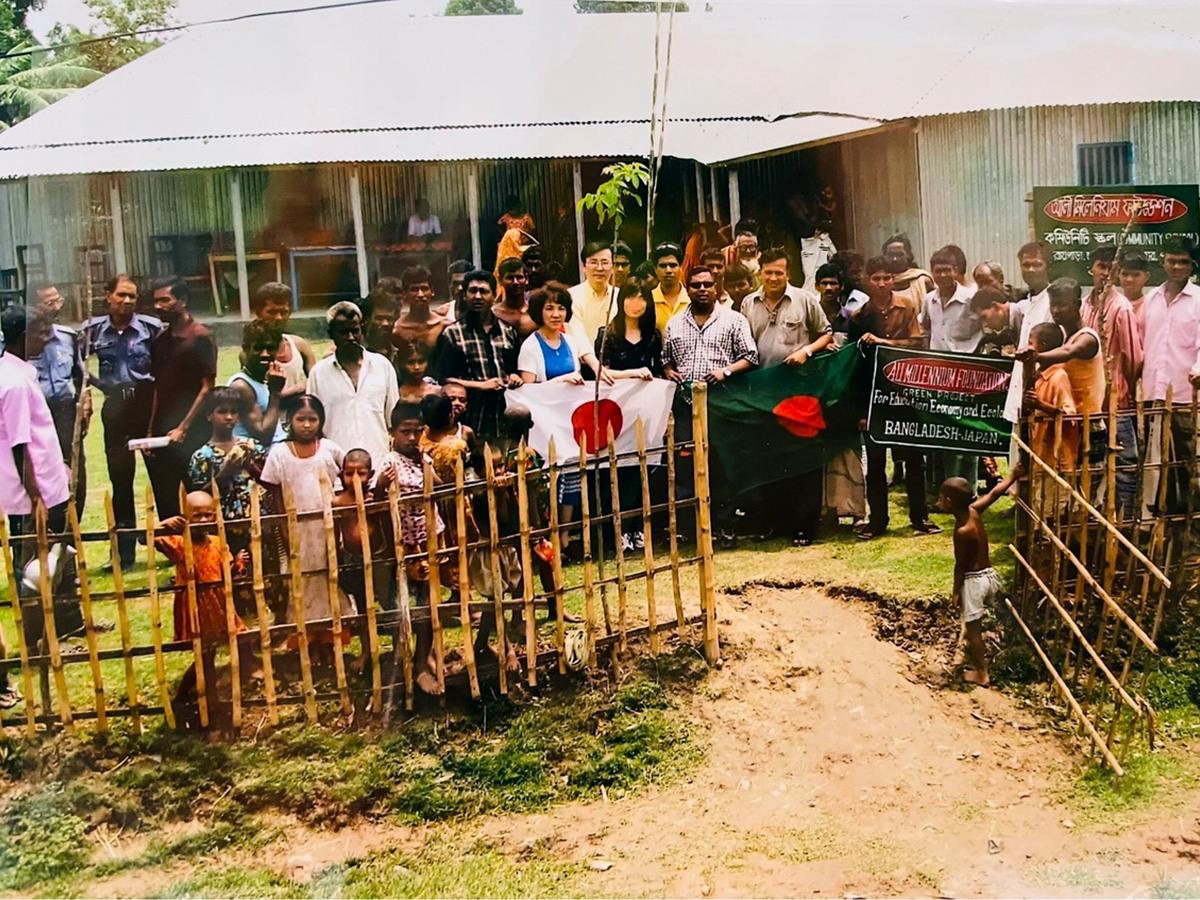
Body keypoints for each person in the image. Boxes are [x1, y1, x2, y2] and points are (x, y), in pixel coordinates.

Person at [0, 305, 75, 709]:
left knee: (54, 560)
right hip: (33, 492)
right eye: (42, 331)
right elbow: (19, 444)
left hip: (48, 481)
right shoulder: (12, 383)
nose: (48, 338)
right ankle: (33, 640)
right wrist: (35, 498)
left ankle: (56, 627)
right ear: (21, 335)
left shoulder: (21, 372)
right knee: (33, 568)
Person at [740, 248, 833, 545]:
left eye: (779, 272)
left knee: (803, 460)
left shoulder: (805, 300)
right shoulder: (748, 303)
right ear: (760, 273)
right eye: (768, 272)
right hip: (762, 393)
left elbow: (826, 334)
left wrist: (806, 351)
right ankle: (775, 523)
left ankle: (805, 526)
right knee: (770, 459)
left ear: (788, 274)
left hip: (799, 391)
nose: (773, 278)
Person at [663, 264, 758, 547]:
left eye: (707, 284)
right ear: (687, 289)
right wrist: (669, 370)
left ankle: (724, 527)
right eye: (696, 285)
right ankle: (688, 529)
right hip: (685, 407)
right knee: (685, 467)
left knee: (721, 466)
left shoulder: (734, 320)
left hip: (721, 404)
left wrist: (725, 371)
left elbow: (750, 356)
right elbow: (666, 359)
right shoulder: (674, 324)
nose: (702, 290)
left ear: (716, 287)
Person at [849, 256, 940, 538]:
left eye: (886, 277)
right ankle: (878, 520)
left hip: (905, 394)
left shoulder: (907, 307)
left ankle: (920, 517)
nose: (881, 283)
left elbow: (916, 344)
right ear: (867, 281)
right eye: (875, 278)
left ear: (893, 280)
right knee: (876, 463)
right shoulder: (859, 317)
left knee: (914, 459)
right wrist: (861, 411)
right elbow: (855, 367)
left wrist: (883, 342)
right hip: (874, 397)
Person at [259, 394, 353, 653]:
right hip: (296, 527)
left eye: (313, 419)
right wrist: (284, 525)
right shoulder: (279, 453)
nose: (307, 425)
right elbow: (274, 491)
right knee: (301, 581)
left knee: (328, 576)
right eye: (301, 419)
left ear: (321, 421)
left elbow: (349, 474)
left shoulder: (329, 449)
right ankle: (306, 641)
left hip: (326, 526)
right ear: (289, 420)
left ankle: (330, 641)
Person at [154, 490, 250, 730]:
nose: (204, 520)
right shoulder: (179, 544)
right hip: (196, 607)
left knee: (210, 653)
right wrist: (165, 524)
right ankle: (210, 703)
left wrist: (238, 564)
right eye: (197, 515)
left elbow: (226, 573)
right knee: (205, 656)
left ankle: (184, 697)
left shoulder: (217, 543)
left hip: (217, 604)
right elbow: (147, 538)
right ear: (184, 517)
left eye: (209, 514)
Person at [85, 273, 160, 567]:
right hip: (115, 408)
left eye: (132, 296)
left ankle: (171, 546)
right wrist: (98, 385)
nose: (127, 301)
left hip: (147, 406)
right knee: (121, 479)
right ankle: (123, 554)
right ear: (108, 296)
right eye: (121, 295)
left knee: (160, 476)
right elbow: (78, 365)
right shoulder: (92, 330)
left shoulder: (151, 328)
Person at [373, 402, 445, 695]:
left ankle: (422, 662)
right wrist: (381, 484)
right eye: (406, 432)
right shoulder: (389, 462)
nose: (412, 438)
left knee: (428, 601)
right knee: (400, 604)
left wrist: (426, 464)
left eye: (417, 431)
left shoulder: (422, 458)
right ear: (393, 432)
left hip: (428, 539)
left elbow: (439, 487)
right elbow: (376, 498)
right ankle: (403, 659)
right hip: (401, 545)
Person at [937, 464, 1022, 688]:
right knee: (996, 617)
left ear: (949, 502)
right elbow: (994, 494)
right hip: (990, 576)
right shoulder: (974, 511)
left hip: (974, 582)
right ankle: (999, 657)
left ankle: (982, 673)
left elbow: (961, 566)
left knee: (973, 630)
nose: (939, 502)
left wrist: (956, 592)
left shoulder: (962, 531)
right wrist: (1013, 475)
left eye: (941, 499)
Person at [145, 277, 217, 520]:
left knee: (196, 494)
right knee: (166, 494)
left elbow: (207, 387)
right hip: (164, 430)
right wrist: (150, 431)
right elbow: (158, 387)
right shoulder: (160, 339)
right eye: (156, 301)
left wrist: (184, 427)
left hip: (193, 429)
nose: (159, 306)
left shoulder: (200, 336)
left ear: (183, 301)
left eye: (165, 300)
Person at [1017, 278, 1105, 472]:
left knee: (1086, 483)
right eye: (1053, 305)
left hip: (1087, 424)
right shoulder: (1065, 338)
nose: (1056, 311)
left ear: (1077, 305)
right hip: (1067, 423)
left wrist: (1036, 356)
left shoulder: (1087, 338)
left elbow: (1068, 352)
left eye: (1062, 305)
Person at [1080, 246, 1142, 517]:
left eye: (1111, 268)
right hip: (1090, 403)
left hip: (1117, 403)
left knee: (1125, 464)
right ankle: (1091, 521)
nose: (1105, 273)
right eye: (1101, 266)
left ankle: (1125, 523)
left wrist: (1122, 390)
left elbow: (1133, 358)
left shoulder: (1120, 307)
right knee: (1091, 463)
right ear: (1091, 269)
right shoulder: (1084, 305)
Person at [1141, 236, 1200, 514]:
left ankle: (1188, 524)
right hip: (1153, 393)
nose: (1176, 267)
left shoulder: (1198, 300)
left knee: (1185, 462)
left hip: (1185, 395)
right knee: (1155, 460)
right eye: (1171, 261)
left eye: (1183, 262)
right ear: (1162, 262)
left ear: (1192, 266)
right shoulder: (1151, 299)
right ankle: (1161, 518)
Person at [431, 269, 523, 445]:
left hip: (503, 415)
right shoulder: (452, 334)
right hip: (470, 417)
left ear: (494, 296)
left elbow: (515, 370)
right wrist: (481, 385)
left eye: (484, 291)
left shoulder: (508, 331)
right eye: (473, 291)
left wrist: (514, 377)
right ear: (465, 295)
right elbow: (443, 378)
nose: (478, 296)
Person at [307, 301, 399, 468]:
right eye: (343, 332)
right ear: (331, 334)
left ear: (362, 330)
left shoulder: (382, 366)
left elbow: (393, 420)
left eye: (354, 331)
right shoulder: (318, 374)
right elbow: (314, 425)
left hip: (378, 465)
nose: (350, 337)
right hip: (336, 468)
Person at [923, 246, 981, 491]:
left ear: (956, 271)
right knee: (941, 432)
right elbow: (925, 329)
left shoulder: (970, 298)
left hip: (964, 373)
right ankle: (943, 489)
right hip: (938, 375)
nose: (943, 275)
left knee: (965, 431)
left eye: (947, 270)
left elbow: (984, 327)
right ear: (932, 272)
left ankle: (969, 489)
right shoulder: (929, 299)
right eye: (938, 271)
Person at [28, 282, 90, 511]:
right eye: (49, 303)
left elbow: (79, 376)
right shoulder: (18, 340)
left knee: (74, 463)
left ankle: (73, 523)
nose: (56, 307)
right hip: (35, 413)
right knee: (42, 467)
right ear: (33, 306)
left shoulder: (68, 337)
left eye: (58, 301)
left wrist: (85, 405)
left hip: (66, 411)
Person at [187, 387, 266, 525]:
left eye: (233, 412)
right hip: (222, 523)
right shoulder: (202, 456)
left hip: (257, 519)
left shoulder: (253, 447)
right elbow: (198, 496)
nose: (229, 417)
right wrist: (224, 473)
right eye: (222, 412)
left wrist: (251, 467)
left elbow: (272, 482)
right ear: (209, 415)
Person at [518, 282, 611, 386]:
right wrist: (561, 380)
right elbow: (529, 390)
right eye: (549, 309)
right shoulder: (529, 347)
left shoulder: (571, 342)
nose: (556, 315)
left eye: (561, 308)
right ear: (539, 311)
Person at [1003, 241, 1054, 426]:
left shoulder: (1052, 304)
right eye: (1026, 265)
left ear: (1048, 266)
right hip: (1021, 394)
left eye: (1037, 264)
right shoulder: (1029, 302)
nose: (1031, 270)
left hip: (1039, 399)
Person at [1023, 322, 1079, 474]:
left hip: (1058, 458)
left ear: (1042, 347)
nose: (1027, 347)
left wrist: (1040, 404)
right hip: (1042, 454)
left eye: (1031, 343)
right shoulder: (1038, 375)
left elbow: (1069, 416)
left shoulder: (1058, 377)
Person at [229, 321, 287, 448]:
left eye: (270, 348)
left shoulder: (260, 380)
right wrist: (275, 393)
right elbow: (263, 436)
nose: (265, 354)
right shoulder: (241, 387)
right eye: (258, 348)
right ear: (246, 348)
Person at [251, 282, 315, 397]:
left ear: (289, 312)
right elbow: (257, 396)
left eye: (283, 312)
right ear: (258, 313)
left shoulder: (299, 345)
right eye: (272, 312)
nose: (278, 318)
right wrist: (297, 389)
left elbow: (316, 382)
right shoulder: (253, 351)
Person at [594, 277, 664, 380]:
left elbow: (658, 372)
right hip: (616, 389)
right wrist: (633, 373)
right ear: (621, 300)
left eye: (641, 298)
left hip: (646, 389)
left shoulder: (653, 335)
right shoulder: (606, 335)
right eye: (631, 297)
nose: (635, 304)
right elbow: (603, 373)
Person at [568, 240, 619, 344]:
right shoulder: (572, 296)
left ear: (613, 267)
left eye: (605, 263)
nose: (599, 268)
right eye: (593, 262)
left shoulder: (620, 296)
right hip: (582, 354)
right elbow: (577, 336)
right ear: (583, 266)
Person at [391, 265, 451, 353]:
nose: (420, 295)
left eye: (424, 288)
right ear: (404, 294)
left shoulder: (445, 325)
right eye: (414, 289)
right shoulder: (397, 330)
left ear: (432, 292)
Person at [883, 233, 934, 308]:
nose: (895, 259)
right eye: (891, 255)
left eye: (899, 254)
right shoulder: (879, 281)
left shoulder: (922, 280)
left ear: (908, 255)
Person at [972, 286, 1023, 358]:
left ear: (995, 306)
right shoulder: (1013, 324)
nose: (985, 324)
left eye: (984, 317)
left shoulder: (1026, 314)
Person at [492, 257, 536, 337]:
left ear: (526, 279)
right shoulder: (494, 314)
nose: (515, 282)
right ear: (500, 280)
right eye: (510, 278)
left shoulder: (536, 312)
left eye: (519, 277)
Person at [651, 242, 691, 331]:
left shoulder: (691, 299)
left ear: (681, 268)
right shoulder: (648, 299)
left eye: (673, 265)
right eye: (663, 266)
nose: (668, 270)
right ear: (655, 270)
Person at [360, 283, 400, 366]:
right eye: (379, 318)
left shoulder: (400, 351)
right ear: (367, 319)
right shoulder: (356, 350)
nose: (385, 324)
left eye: (389, 319)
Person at [1119, 250, 1150, 349]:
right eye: (1125, 274)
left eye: (1136, 275)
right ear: (1118, 275)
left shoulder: (1151, 307)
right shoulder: (1113, 307)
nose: (1129, 279)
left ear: (1146, 276)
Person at [397, 340, 440, 405]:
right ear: (402, 364)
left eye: (421, 362)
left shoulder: (436, 391)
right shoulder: (396, 393)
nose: (417, 367)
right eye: (411, 362)